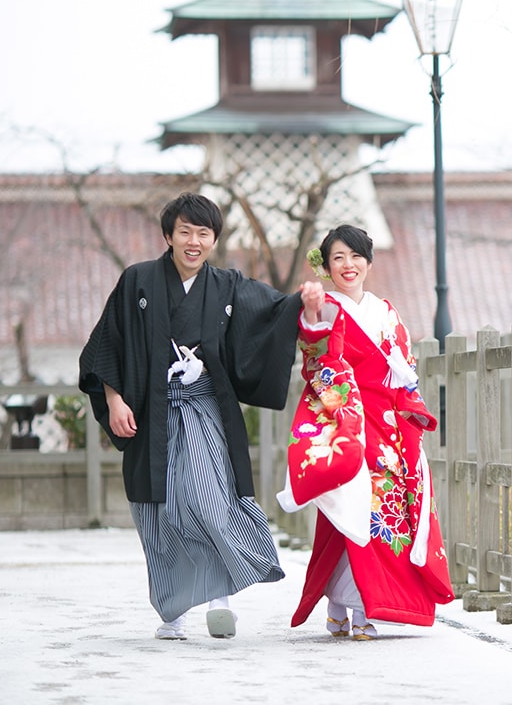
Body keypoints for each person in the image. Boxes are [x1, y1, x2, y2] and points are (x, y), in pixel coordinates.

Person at [79, 192, 325, 641]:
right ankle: (172, 610)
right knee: (160, 510)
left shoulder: (228, 285)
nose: (194, 242)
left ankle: (220, 601)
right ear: (168, 235)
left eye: (204, 233)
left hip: (206, 409)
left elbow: (272, 313)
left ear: (214, 239)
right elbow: (107, 345)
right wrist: (114, 401)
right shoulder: (137, 282)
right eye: (185, 232)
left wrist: (303, 301)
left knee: (210, 497)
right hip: (150, 415)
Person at [277, 224, 453, 639]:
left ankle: (351, 604)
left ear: (369, 262)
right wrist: (311, 314)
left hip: (388, 423)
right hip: (348, 422)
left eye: (356, 256)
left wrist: (409, 407)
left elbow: (404, 368)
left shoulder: (386, 312)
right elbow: (317, 360)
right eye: (338, 257)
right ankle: (354, 607)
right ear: (327, 266)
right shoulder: (328, 308)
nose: (348, 265)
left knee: (381, 516)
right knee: (352, 508)